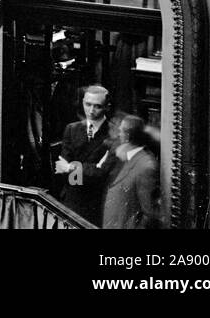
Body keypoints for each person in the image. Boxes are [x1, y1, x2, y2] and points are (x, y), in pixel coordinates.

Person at [54, 85, 115, 225]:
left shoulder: (115, 134)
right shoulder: (72, 129)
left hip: (97, 204)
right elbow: (61, 170)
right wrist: (90, 169)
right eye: (88, 104)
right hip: (71, 200)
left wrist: (71, 167)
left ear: (107, 107)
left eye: (97, 106)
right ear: (82, 102)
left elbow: (102, 174)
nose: (91, 111)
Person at [101, 115, 161, 229]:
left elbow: (150, 213)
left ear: (127, 136)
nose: (118, 135)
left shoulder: (146, 166)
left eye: (120, 131)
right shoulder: (126, 156)